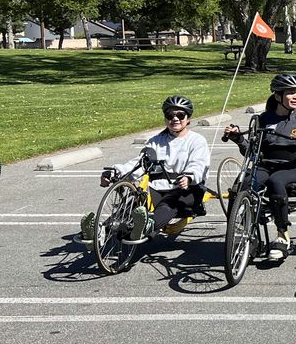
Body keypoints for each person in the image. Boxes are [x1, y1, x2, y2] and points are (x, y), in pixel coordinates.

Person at [79, 95, 211, 244]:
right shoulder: (156, 141)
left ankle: (148, 226)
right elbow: (139, 163)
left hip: (186, 189)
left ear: (188, 119)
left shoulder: (196, 140)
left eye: (180, 115)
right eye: (170, 115)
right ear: (165, 118)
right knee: (134, 202)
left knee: (168, 204)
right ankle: (100, 231)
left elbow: (199, 163)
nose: (175, 119)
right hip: (157, 187)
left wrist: (189, 176)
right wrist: (116, 172)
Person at [222, 73, 296, 262]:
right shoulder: (262, 119)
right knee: (244, 183)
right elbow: (251, 152)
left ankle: (283, 235)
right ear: (278, 96)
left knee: (276, 181)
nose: (295, 97)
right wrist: (238, 138)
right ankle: (248, 236)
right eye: (290, 93)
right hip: (266, 165)